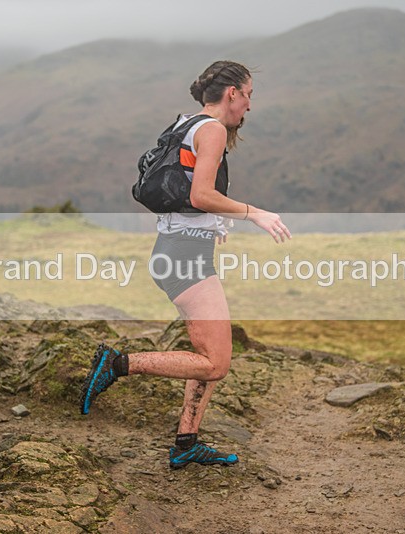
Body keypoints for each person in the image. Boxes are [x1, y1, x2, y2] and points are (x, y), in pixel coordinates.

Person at [80, 60, 291, 469]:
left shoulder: (186, 123)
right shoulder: (211, 129)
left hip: (178, 249)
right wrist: (254, 213)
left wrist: (214, 224)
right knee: (216, 362)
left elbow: (186, 194)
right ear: (232, 93)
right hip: (183, 259)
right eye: (248, 96)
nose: (249, 106)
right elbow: (200, 195)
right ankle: (117, 363)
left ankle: (186, 441)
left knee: (208, 353)